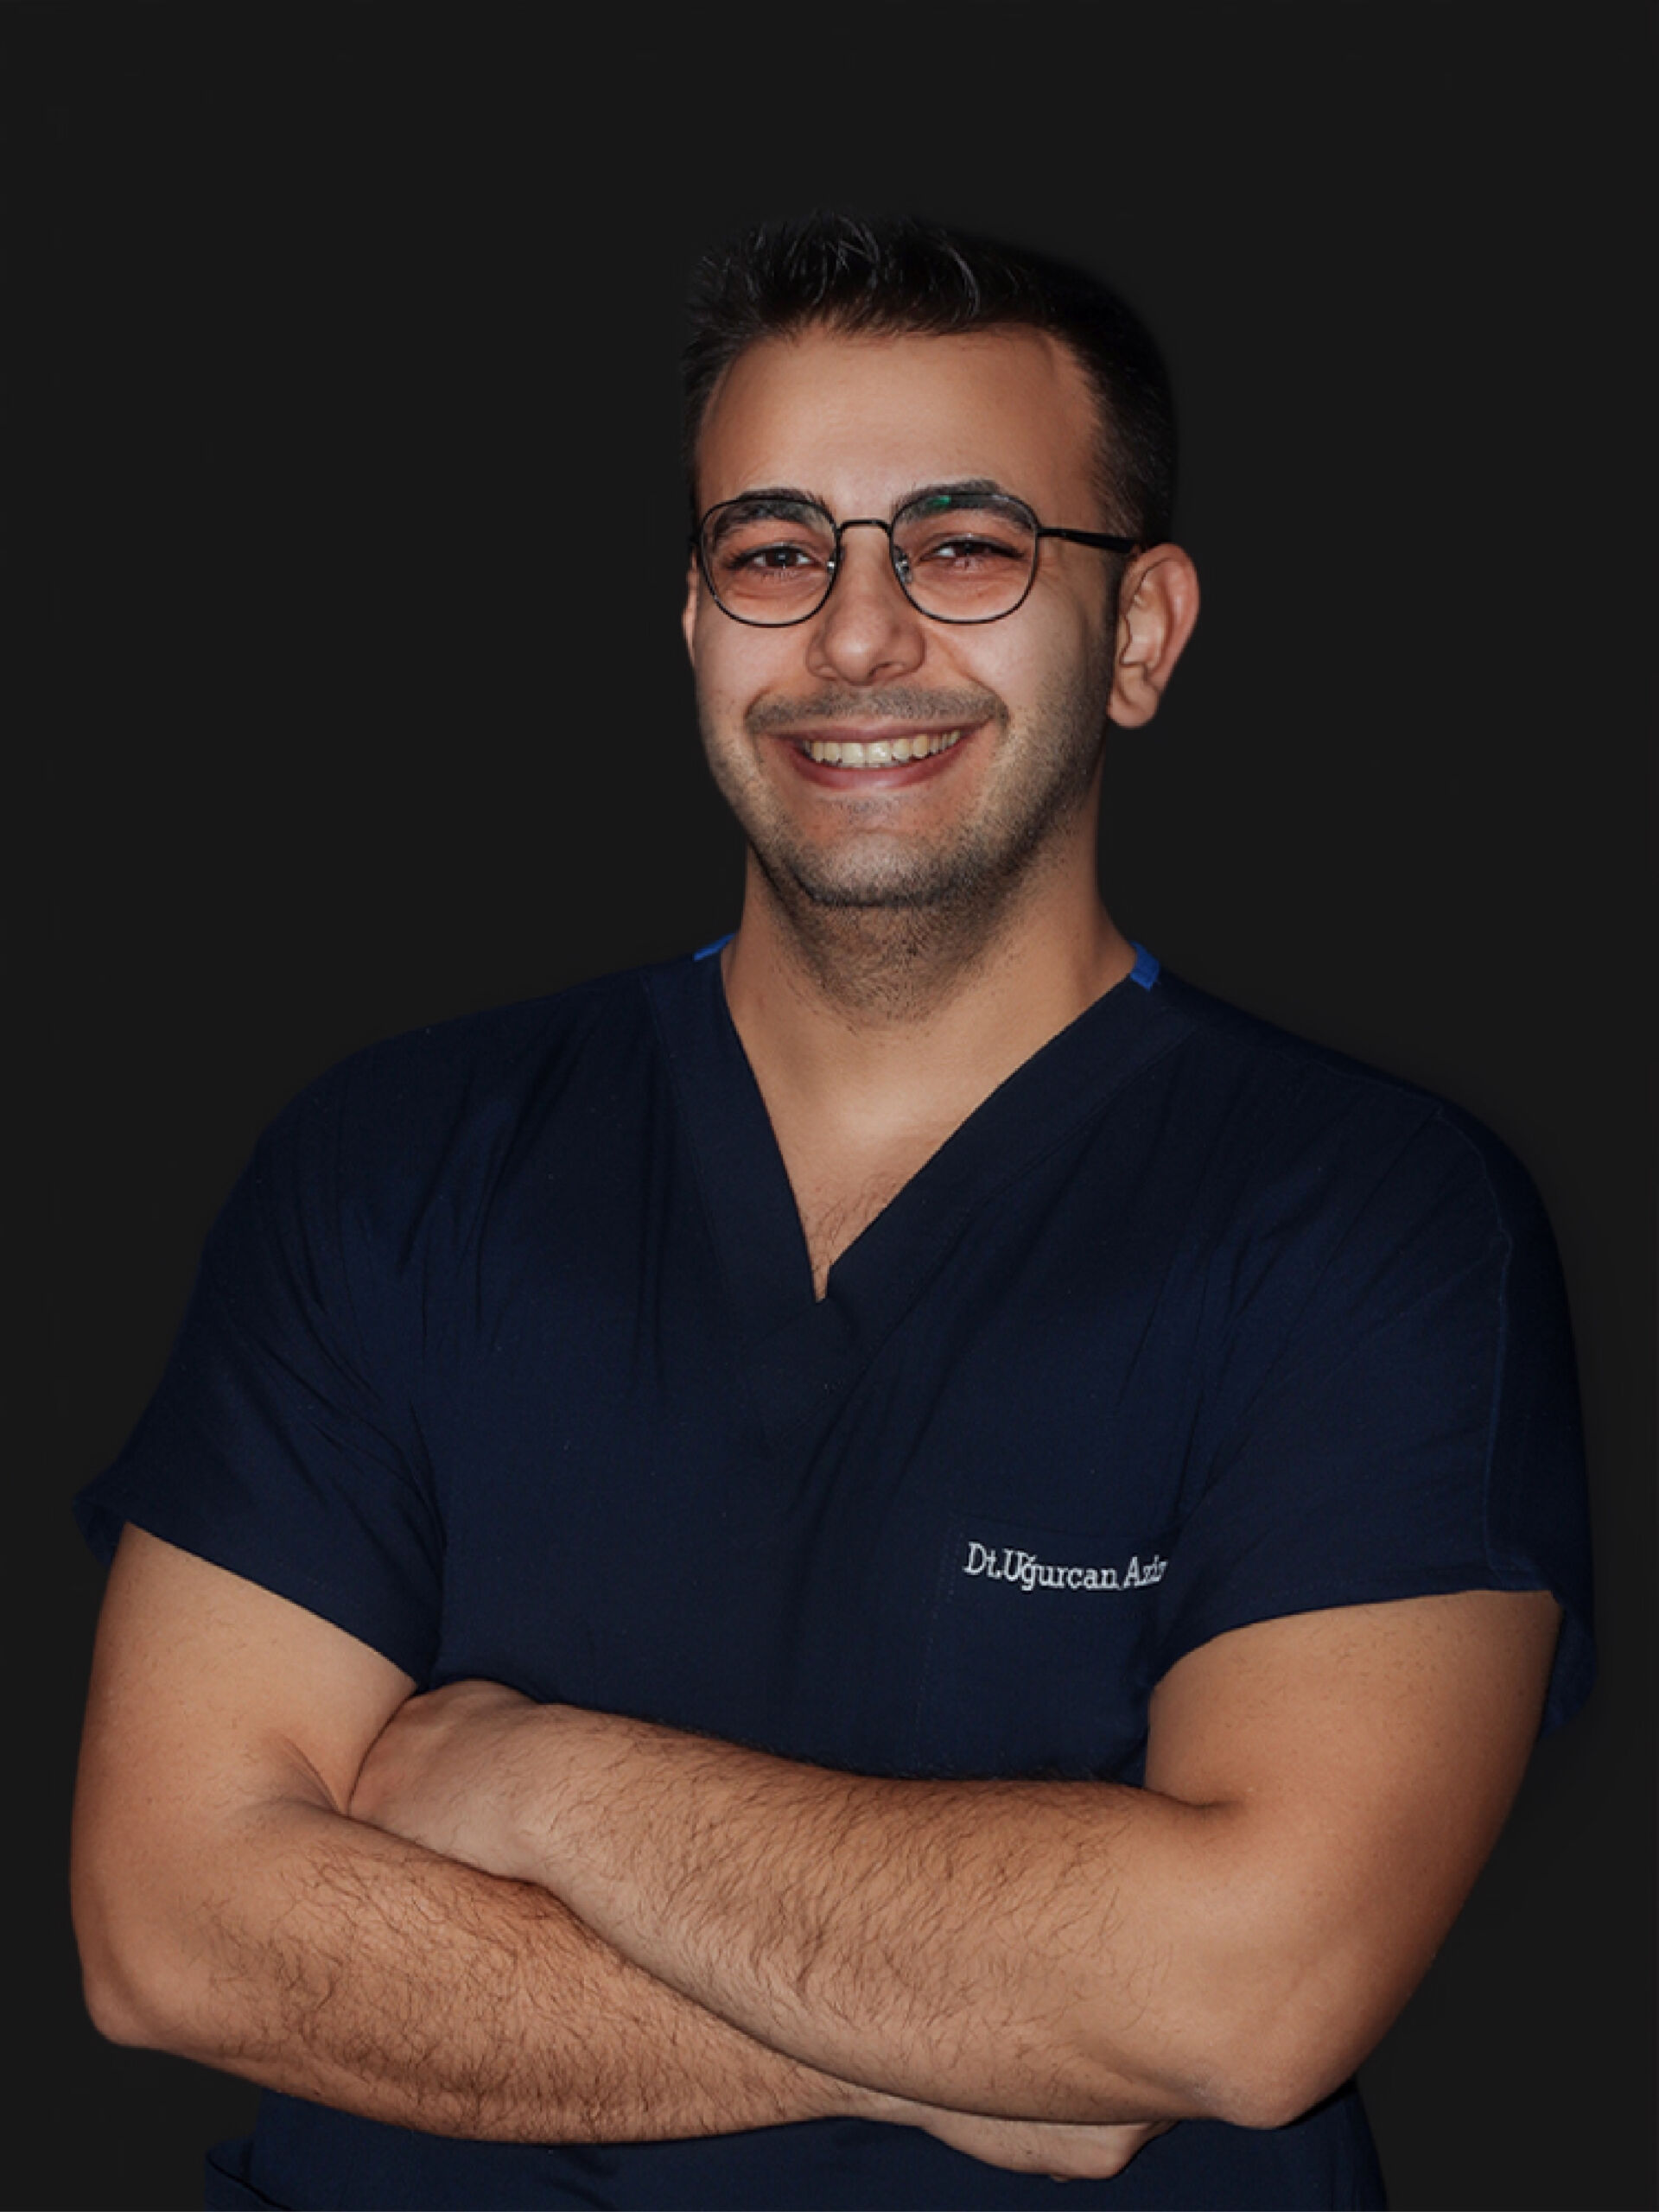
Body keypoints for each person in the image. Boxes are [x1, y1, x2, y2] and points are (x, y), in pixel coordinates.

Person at [70, 213, 1592, 2211]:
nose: (856, 637)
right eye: (775, 551)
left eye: (965, 546)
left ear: (1141, 634)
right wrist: (1000, 2040)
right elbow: (169, 1925)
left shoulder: (1372, 1225)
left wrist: (533, 1775)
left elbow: (1248, 1987)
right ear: (696, 623)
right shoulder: (392, 1165)